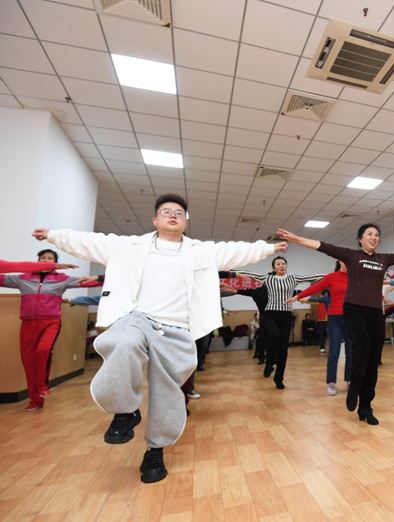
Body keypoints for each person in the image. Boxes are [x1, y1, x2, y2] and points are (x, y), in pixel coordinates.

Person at [33, 193, 286, 483]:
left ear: (186, 221)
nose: (173, 215)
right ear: (155, 219)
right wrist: (53, 235)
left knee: (167, 393)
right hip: (138, 319)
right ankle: (126, 411)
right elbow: (90, 241)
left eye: (179, 212)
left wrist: (267, 249)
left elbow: (236, 250)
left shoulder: (200, 251)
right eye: (166, 211)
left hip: (177, 329)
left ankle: (155, 450)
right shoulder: (130, 246)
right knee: (121, 341)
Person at [276, 224, 394, 426]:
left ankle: (366, 405)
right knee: (362, 346)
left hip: (375, 312)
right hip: (353, 309)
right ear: (360, 239)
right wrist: (297, 239)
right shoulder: (351, 255)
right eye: (369, 234)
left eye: (377, 235)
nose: (374, 237)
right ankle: (353, 386)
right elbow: (322, 246)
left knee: (373, 359)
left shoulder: (384, 259)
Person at [0, 250, 101, 412]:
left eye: (50, 258)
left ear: (54, 262)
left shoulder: (60, 279)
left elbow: (88, 282)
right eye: (43, 258)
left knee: (43, 350)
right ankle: (36, 400)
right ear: (38, 261)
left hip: (51, 322)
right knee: (28, 362)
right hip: (28, 323)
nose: (46, 260)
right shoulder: (23, 278)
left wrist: (109, 278)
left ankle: (42, 385)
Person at [232, 258, 324, 389]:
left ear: (286, 266)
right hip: (270, 314)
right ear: (273, 268)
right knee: (274, 335)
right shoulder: (267, 279)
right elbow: (248, 274)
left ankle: (279, 378)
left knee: (283, 350)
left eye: (283, 264)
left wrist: (331, 275)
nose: (281, 266)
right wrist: (229, 272)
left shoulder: (293, 278)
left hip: (286, 316)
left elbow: (311, 277)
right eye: (278, 264)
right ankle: (269, 363)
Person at [285, 260, 352, 396]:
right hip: (335, 318)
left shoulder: (355, 277)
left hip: (351, 318)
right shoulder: (332, 277)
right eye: (344, 260)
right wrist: (298, 296)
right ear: (339, 261)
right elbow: (315, 288)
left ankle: (350, 380)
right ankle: (331, 383)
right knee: (334, 351)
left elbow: (366, 291)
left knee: (351, 352)